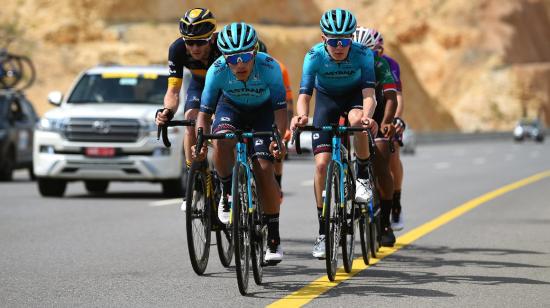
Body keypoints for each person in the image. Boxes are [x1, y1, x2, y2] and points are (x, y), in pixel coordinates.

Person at [195, 22, 288, 263]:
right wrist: (201, 140)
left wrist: (278, 138)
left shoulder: (270, 67)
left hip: (263, 113)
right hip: (231, 109)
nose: (239, 64)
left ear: (255, 52)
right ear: (224, 57)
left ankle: (274, 237)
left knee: (264, 169)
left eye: (245, 56)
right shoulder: (217, 70)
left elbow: (280, 111)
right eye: (232, 58)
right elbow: (204, 115)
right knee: (222, 139)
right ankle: (226, 193)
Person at [290, 9, 378, 259]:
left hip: (353, 99)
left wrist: (367, 116)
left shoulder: (363, 54)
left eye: (344, 41)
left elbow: (369, 96)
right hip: (326, 102)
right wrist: (301, 116)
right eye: (333, 41)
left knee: (356, 121)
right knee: (321, 166)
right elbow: (304, 95)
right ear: (323, 39)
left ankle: (361, 175)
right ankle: (322, 231)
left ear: (352, 38)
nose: (339, 47)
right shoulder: (314, 56)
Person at [155, 8, 220, 191]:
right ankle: (194, 179)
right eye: (189, 42)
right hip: (199, 86)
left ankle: (224, 182)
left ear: (212, 38)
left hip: (224, 90)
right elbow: (173, 91)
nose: (194, 48)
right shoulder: (177, 49)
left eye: (200, 42)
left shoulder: (222, 47)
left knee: (220, 129)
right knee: (191, 119)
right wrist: (167, 111)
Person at [354, 27, 399, 246]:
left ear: (376, 53)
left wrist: (387, 122)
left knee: (382, 163)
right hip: (352, 107)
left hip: (378, 110)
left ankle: (386, 223)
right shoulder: (344, 62)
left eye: (369, 54)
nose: (365, 58)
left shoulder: (381, 65)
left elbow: (391, 97)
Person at [256, 41, 294, 193]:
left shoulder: (277, 68)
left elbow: (288, 102)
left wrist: (286, 129)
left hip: (273, 108)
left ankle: (277, 181)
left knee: (277, 145)